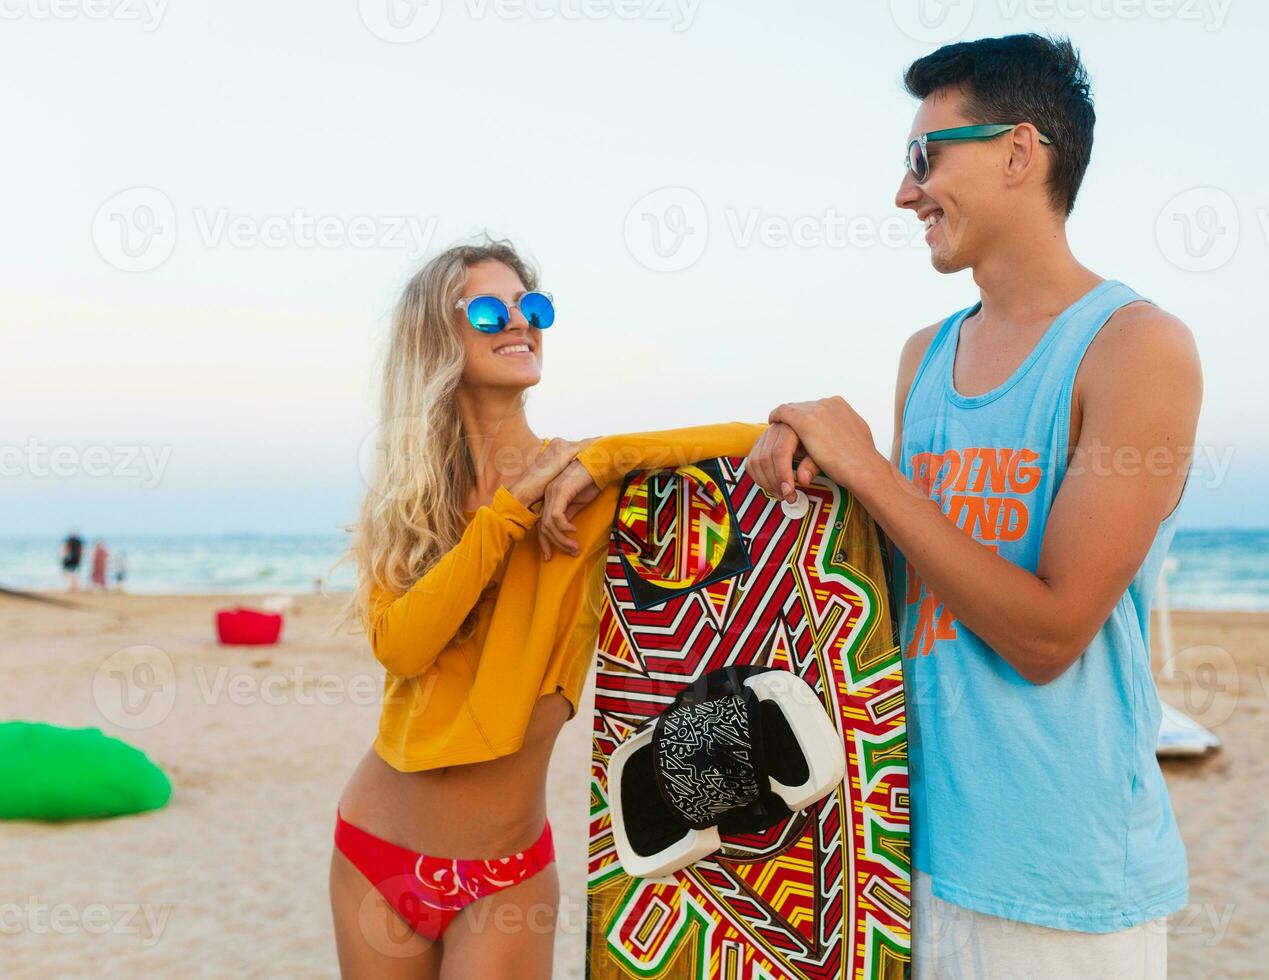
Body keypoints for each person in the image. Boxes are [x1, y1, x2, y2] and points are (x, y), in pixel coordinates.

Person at [747, 35, 1201, 979]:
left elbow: (1048, 635)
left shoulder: (1136, 348)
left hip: (1062, 883)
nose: (905, 193)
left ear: (1018, 152)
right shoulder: (925, 356)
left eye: (924, 157)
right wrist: (814, 467)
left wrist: (871, 470)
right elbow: (913, 585)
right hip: (909, 857)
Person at [330, 240, 763, 979]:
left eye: (534, 307)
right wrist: (505, 514)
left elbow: (754, 439)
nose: (521, 323)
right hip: (376, 849)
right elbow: (402, 647)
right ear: (438, 335)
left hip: (505, 872)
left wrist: (605, 457)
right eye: (492, 309)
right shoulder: (404, 502)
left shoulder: (588, 483)